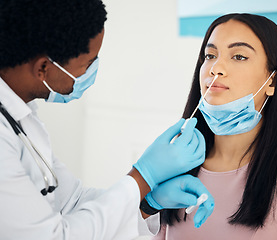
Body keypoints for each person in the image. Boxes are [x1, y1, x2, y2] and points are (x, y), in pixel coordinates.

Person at [0, 1, 214, 239]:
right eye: (88, 63)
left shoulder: (20, 116)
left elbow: (74, 201)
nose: (92, 71)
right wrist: (142, 178)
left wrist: (147, 203)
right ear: (43, 68)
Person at [153, 13, 277, 240]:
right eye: (210, 55)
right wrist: (147, 200)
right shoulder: (173, 167)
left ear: (273, 81)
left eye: (239, 56)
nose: (216, 68)